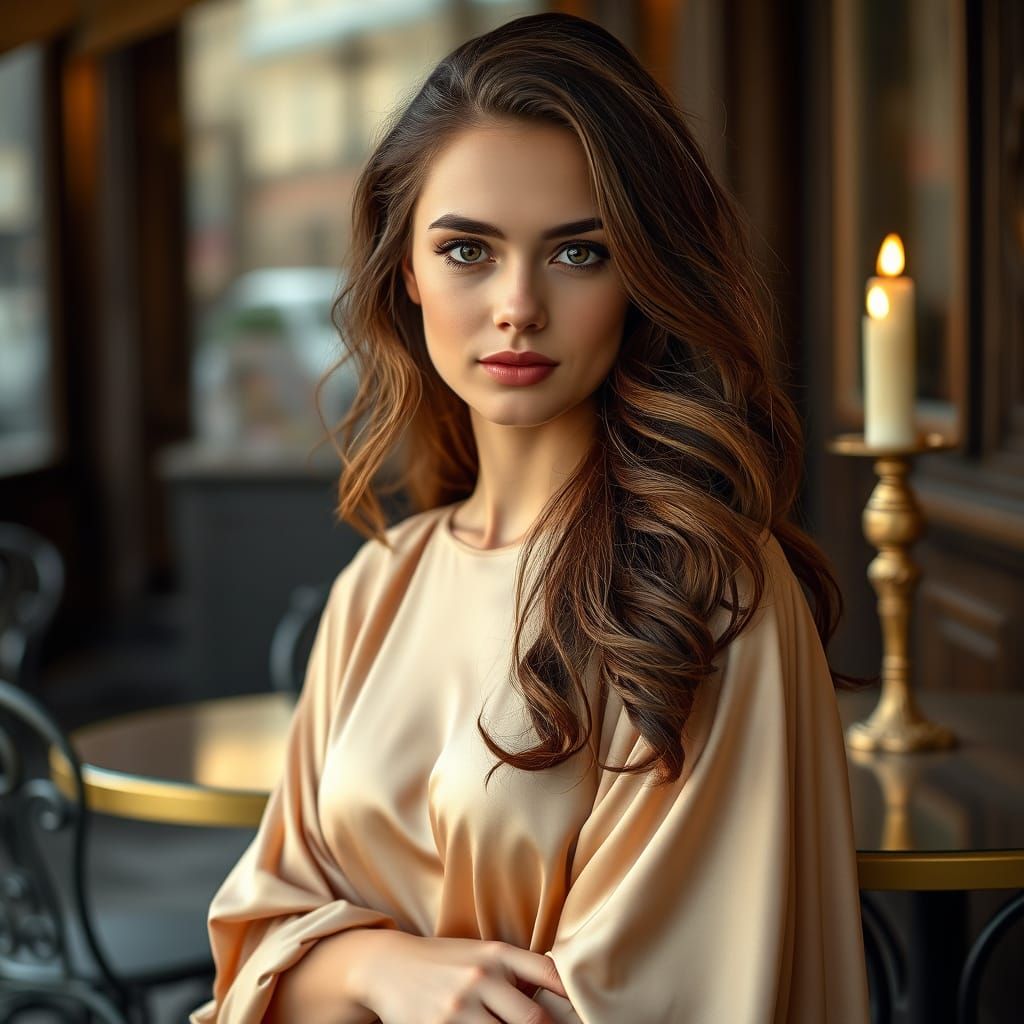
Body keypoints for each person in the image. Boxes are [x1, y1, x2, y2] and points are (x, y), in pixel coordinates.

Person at [191, 12, 874, 1023]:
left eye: (577, 254)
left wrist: (336, 963)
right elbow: (256, 939)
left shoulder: (707, 592)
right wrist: (381, 969)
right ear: (407, 273)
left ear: (642, 279)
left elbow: (670, 999)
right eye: (467, 249)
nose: (516, 304)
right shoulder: (382, 582)